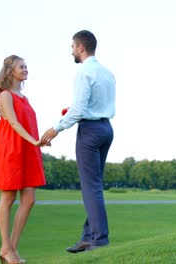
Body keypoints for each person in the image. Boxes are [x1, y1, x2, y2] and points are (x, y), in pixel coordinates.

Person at [41, 30, 116, 253]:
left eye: (72, 47)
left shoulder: (84, 72)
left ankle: (99, 239)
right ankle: (88, 236)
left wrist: (56, 128)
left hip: (90, 131)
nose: (71, 51)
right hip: (106, 128)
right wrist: (74, 112)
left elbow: (80, 110)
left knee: (90, 187)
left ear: (81, 48)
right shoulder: (107, 72)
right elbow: (88, 106)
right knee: (94, 186)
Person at [0, 55, 47, 263]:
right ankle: (8, 250)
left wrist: (36, 142)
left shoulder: (24, 97)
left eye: (27, 66)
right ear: (11, 70)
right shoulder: (5, 96)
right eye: (22, 66)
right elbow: (12, 123)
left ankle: (9, 248)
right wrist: (34, 140)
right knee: (9, 198)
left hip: (28, 150)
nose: (26, 69)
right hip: (12, 150)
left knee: (29, 199)